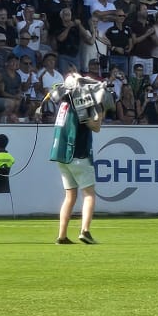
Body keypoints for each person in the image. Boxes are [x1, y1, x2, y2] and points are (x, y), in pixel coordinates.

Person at [47, 72, 107, 244]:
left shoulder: (64, 102)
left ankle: (62, 235)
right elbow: (94, 126)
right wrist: (100, 110)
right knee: (89, 194)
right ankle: (85, 231)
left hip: (60, 154)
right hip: (78, 152)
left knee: (70, 196)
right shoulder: (81, 102)